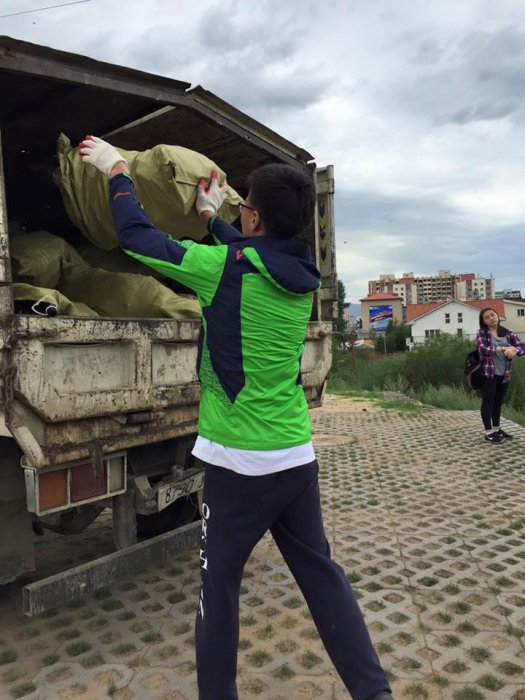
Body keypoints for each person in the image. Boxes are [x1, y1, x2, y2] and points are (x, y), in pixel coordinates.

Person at [79, 135, 394, 700]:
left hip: (235, 468)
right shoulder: (303, 276)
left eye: (243, 204)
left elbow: (136, 236)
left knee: (218, 589)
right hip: (295, 457)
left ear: (254, 217)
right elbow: (250, 258)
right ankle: (375, 693)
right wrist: (210, 215)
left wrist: (117, 170)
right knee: (323, 578)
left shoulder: (221, 268)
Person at [476, 307, 525, 443]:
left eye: (492, 315)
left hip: (504, 374)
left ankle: (497, 429)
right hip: (489, 374)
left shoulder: (508, 333)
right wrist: (503, 348)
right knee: (488, 402)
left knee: (498, 402)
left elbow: (522, 347)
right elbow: (483, 349)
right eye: (487, 317)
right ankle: (488, 432)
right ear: (484, 322)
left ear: (497, 315)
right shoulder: (482, 333)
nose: (491, 318)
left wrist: (515, 349)